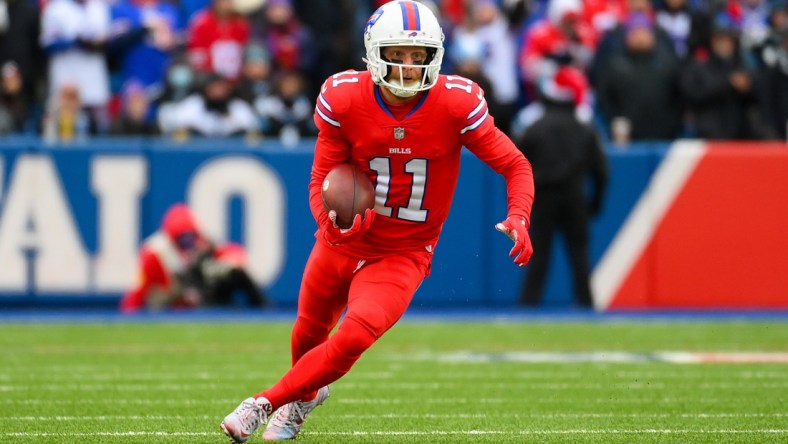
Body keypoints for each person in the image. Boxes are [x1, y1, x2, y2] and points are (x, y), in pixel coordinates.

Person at [219, 1, 535, 442]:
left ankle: (264, 404)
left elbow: (515, 165)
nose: (408, 67)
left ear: (435, 55)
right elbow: (320, 177)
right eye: (398, 55)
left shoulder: (456, 103)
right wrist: (331, 226)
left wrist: (519, 214)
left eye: (418, 56)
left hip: (403, 250)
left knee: (351, 338)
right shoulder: (345, 98)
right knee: (308, 331)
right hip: (345, 240)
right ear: (373, 52)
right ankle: (304, 397)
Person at [514, 66, 608, 308]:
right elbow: (601, 171)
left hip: (543, 197)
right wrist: (595, 203)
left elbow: (516, 166)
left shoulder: (535, 128)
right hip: (574, 196)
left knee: (538, 256)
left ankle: (527, 308)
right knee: (579, 255)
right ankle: (586, 306)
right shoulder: (584, 128)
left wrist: (522, 203)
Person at [119, 203, 268, 313]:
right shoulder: (154, 253)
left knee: (235, 275)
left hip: (198, 300)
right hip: (170, 306)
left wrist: (229, 262)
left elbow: (234, 253)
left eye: (191, 237)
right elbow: (138, 290)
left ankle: (264, 311)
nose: (188, 244)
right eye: (182, 239)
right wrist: (127, 316)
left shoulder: (201, 242)